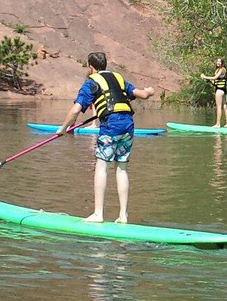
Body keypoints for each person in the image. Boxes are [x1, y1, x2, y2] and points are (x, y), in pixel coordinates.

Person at [58, 52, 155, 223]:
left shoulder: (91, 82)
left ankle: (98, 214)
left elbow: (75, 110)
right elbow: (142, 94)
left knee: (101, 167)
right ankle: (123, 215)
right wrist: (149, 91)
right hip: (128, 125)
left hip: (111, 126)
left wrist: (63, 129)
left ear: (90, 67)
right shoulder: (118, 78)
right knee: (122, 168)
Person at [199, 57, 227, 128]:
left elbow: (215, 78)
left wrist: (205, 77)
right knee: (224, 106)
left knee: (219, 107)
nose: (218, 63)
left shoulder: (222, 69)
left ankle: (218, 124)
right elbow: (215, 81)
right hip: (222, 90)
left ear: (222, 63)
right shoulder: (218, 70)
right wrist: (209, 80)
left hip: (220, 90)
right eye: (217, 61)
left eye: (220, 62)